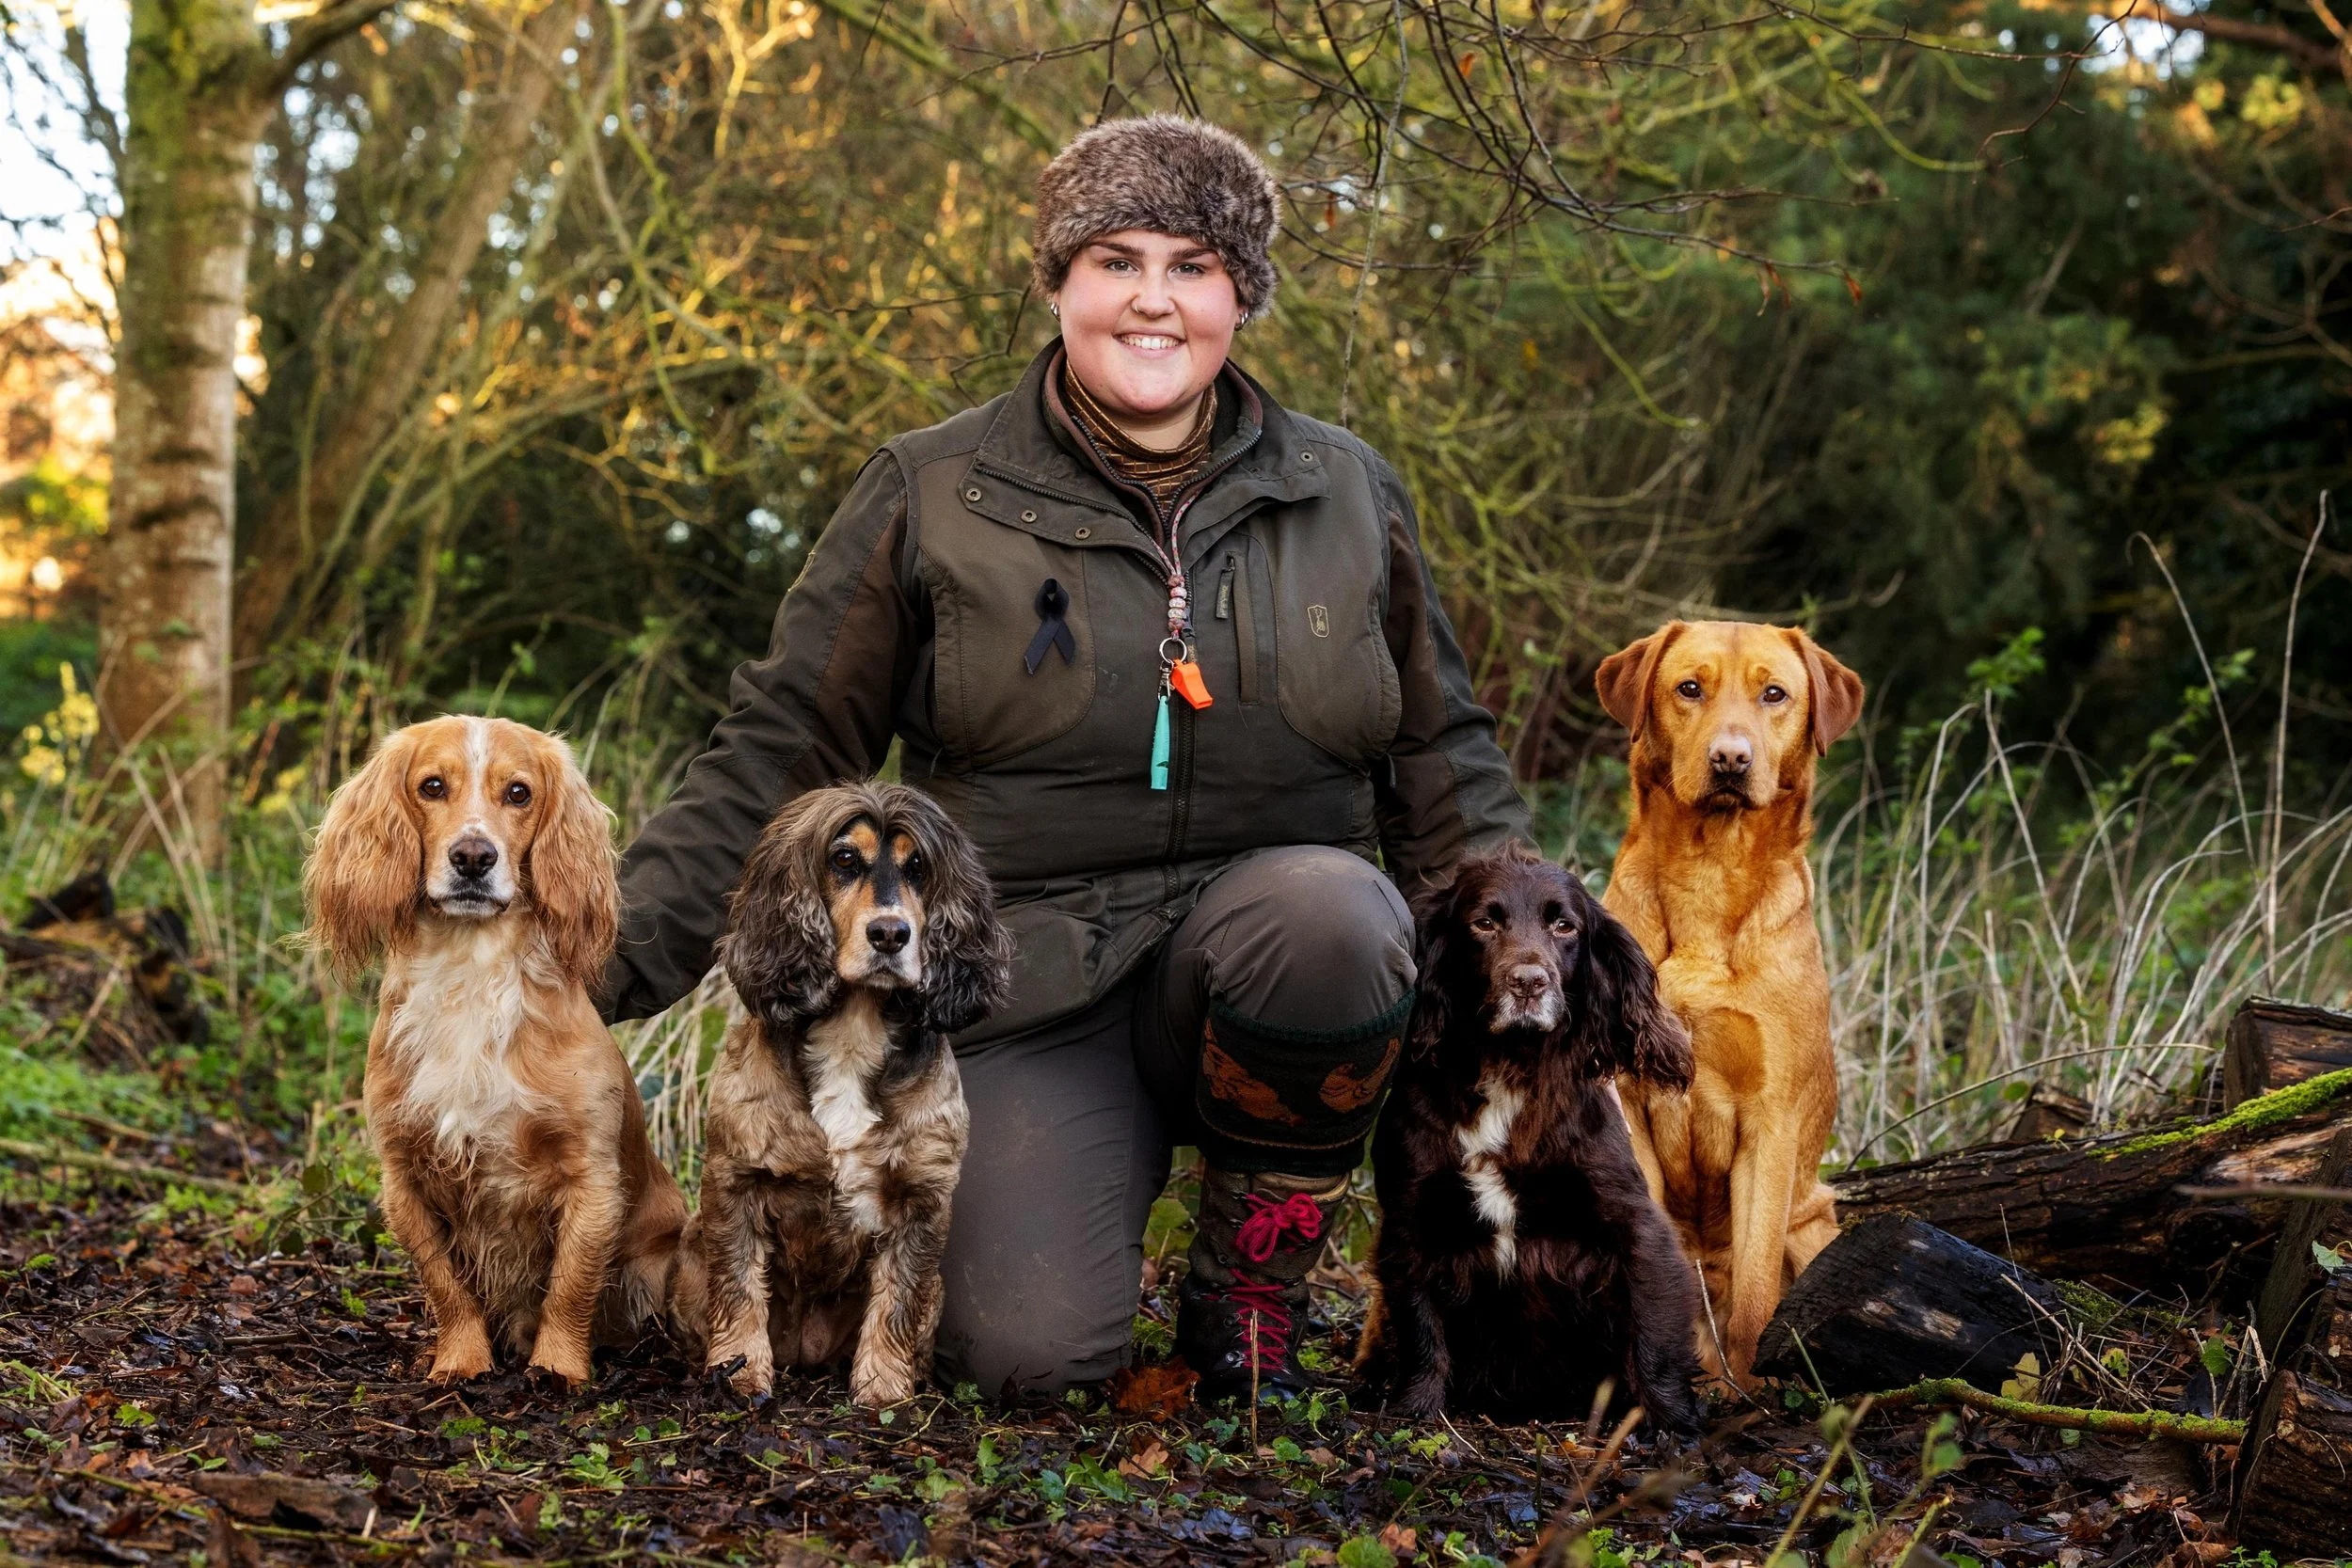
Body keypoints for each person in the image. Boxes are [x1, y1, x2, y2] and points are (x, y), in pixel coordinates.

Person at [602, 115, 1529, 1399]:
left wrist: (1539, 988)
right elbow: (779, 748)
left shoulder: (1347, 493)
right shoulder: (932, 490)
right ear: (1058, 284)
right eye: (1117, 259)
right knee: (1027, 1360)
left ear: (1242, 296)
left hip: (1274, 961)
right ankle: (1080, 1212)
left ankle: (1250, 1275)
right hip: (1027, 986)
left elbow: (1442, 756)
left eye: (1195, 265)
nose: (1155, 299)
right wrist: (591, 961)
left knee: (1335, 912)